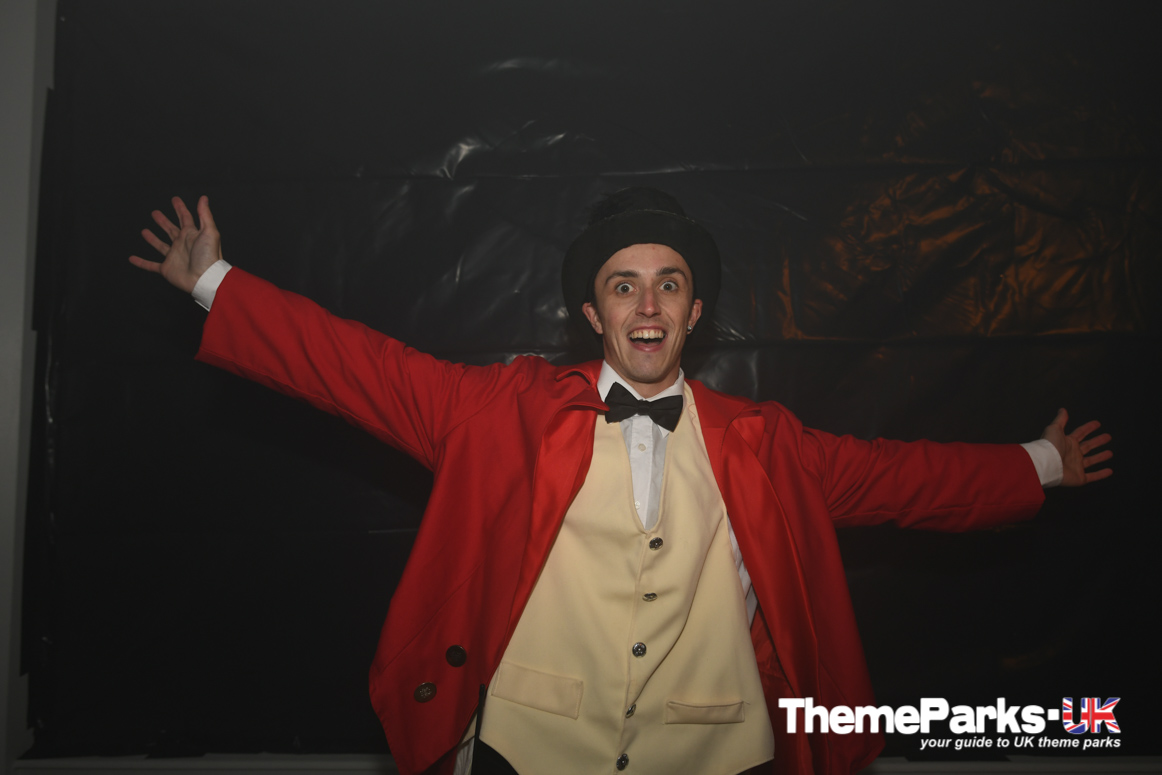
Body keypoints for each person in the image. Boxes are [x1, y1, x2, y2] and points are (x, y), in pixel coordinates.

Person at [130, 188, 1111, 775]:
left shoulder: (767, 442)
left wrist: (1038, 462)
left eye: (669, 283)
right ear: (592, 313)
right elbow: (356, 367)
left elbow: (904, 479)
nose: (648, 303)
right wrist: (215, 283)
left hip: (716, 753)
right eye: (624, 284)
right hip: (527, 750)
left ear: (695, 311)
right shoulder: (497, 410)